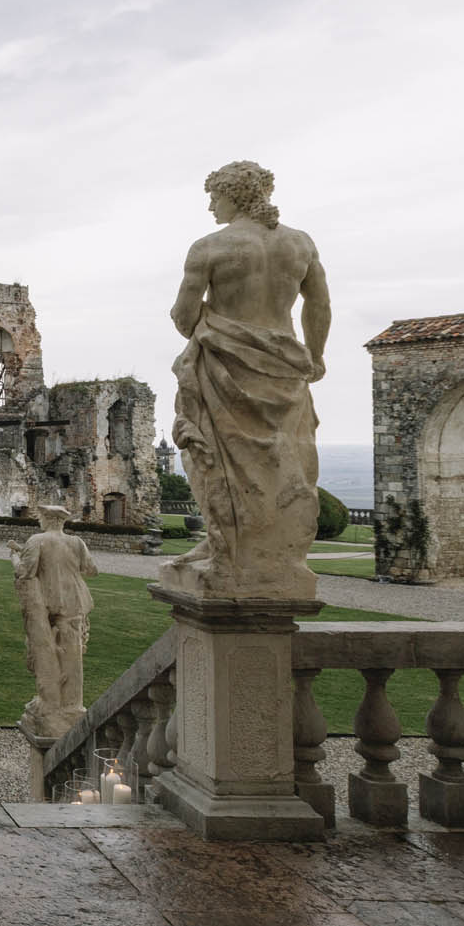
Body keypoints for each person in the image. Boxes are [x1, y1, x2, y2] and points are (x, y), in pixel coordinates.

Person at [165, 161, 329, 599]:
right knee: (282, 459)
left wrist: (210, 323)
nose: (210, 205)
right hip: (287, 368)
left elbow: (183, 319)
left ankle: (228, 547)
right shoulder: (301, 244)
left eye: (214, 196)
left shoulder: (209, 247)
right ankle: (266, 555)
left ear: (234, 195)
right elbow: (319, 307)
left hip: (224, 369)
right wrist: (316, 355)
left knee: (214, 458)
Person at [9, 505, 97, 737]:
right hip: (75, 603)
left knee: (45, 652)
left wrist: (14, 557)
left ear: (47, 519)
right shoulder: (76, 542)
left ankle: (50, 703)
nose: (38, 521)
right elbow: (91, 570)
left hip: (50, 604)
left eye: (40, 517)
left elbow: (25, 572)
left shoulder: (38, 539)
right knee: (73, 655)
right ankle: (71, 705)